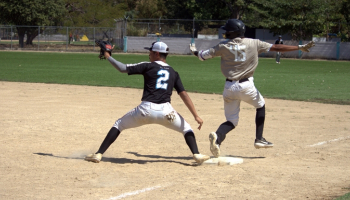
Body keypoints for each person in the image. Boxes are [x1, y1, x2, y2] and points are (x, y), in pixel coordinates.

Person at [189, 19, 315, 157]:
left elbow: (202, 56)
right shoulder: (254, 43)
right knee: (260, 105)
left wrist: (195, 51)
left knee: (231, 121)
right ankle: (259, 139)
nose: (225, 33)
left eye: (227, 31)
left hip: (229, 87)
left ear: (233, 32)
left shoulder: (222, 46)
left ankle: (218, 138)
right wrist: (299, 47)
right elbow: (277, 48)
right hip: (246, 86)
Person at [85, 41, 210, 164]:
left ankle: (99, 154)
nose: (148, 54)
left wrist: (108, 56)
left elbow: (122, 68)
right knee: (187, 128)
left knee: (119, 124)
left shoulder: (148, 66)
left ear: (156, 53)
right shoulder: (173, 72)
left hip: (145, 111)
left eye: (150, 52)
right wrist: (196, 116)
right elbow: (183, 94)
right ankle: (196, 154)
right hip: (167, 113)